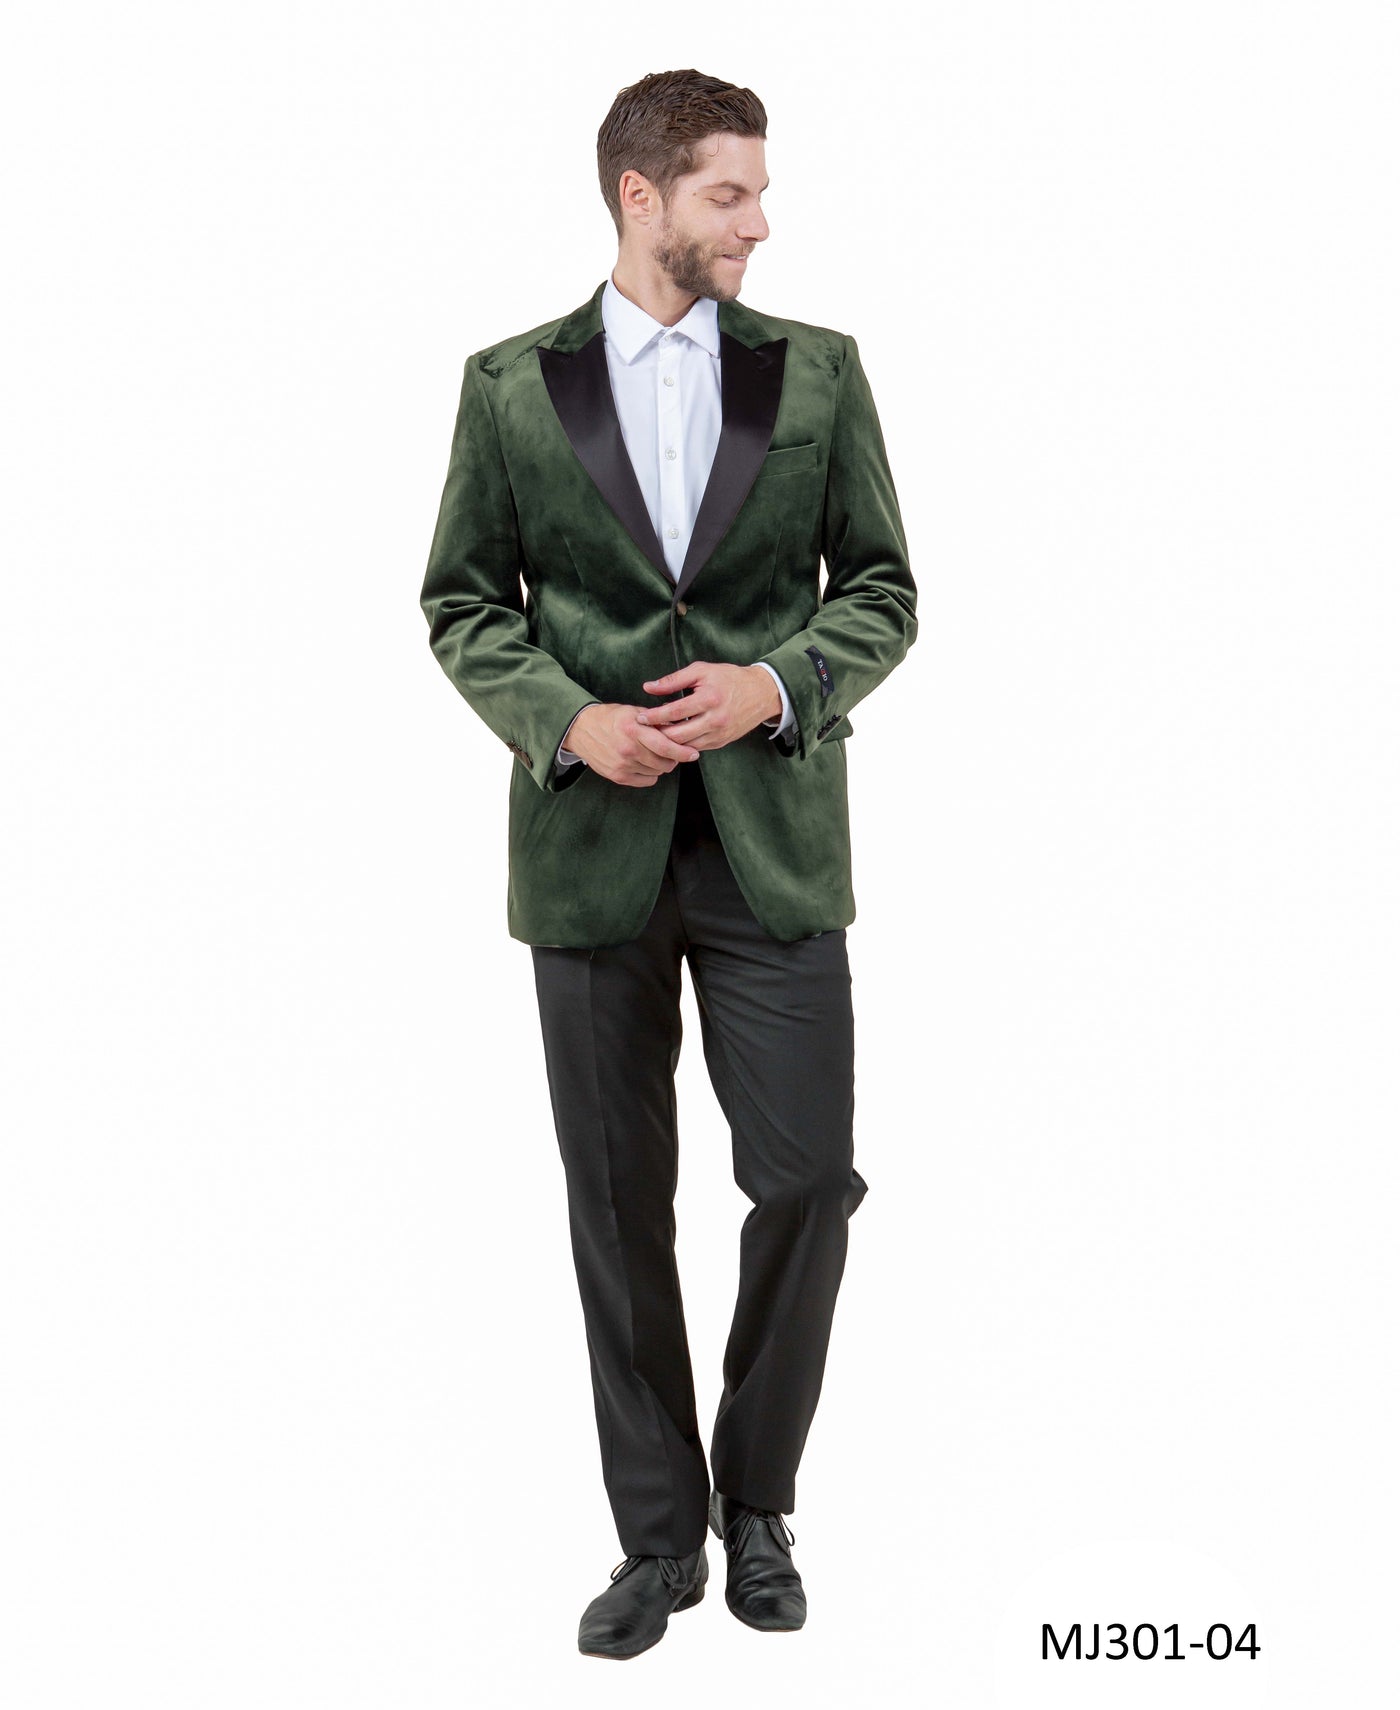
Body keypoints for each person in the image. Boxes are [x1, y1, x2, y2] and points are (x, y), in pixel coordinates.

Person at [419, 67, 917, 1660]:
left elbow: (885, 590)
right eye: (730, 194)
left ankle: (755, 1494)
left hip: (775, 851)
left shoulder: (818, 372)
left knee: (809, 1178)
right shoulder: (511, 384)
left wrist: (776, 685)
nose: (760, 223)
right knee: (619, 1203)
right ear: (641, 197)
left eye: (758, 192)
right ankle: (658, 1537)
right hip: (590, 854)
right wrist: (568, 719)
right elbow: (462, 602)